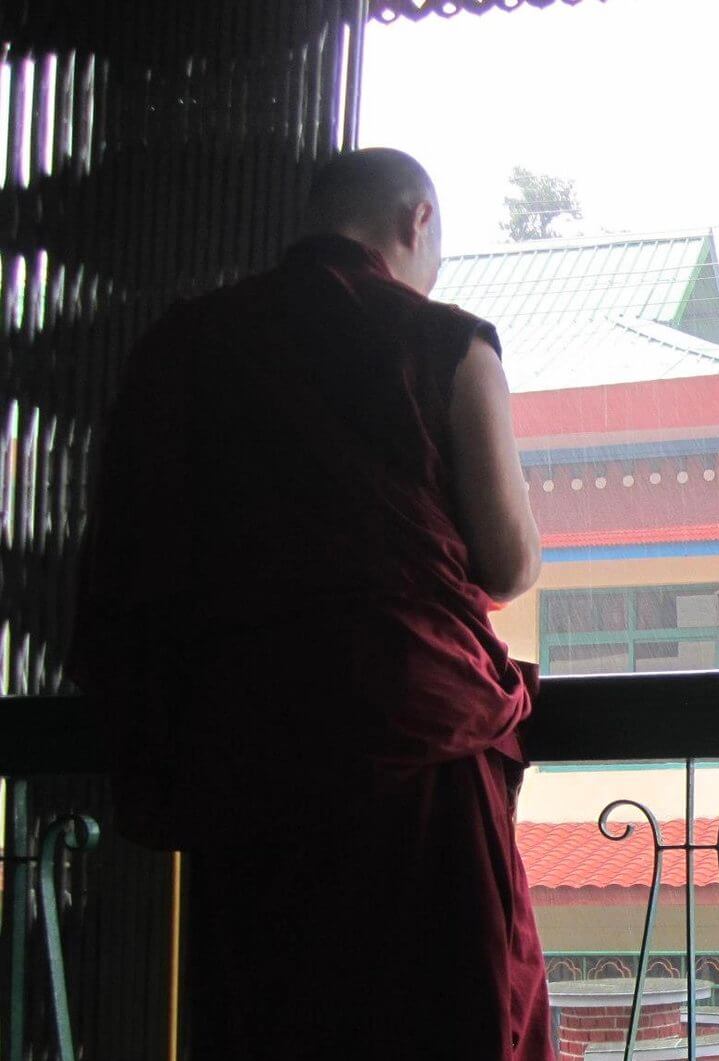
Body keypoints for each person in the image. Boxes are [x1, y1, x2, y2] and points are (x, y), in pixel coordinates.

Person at [68, 148, 552, 1060]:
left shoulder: (184, 344)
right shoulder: (444, 339)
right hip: (414, 747)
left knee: (278, 1015)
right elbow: (508, 559)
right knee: (444, 1014)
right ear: (417, 222)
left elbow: (132, 559)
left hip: (242, 756)